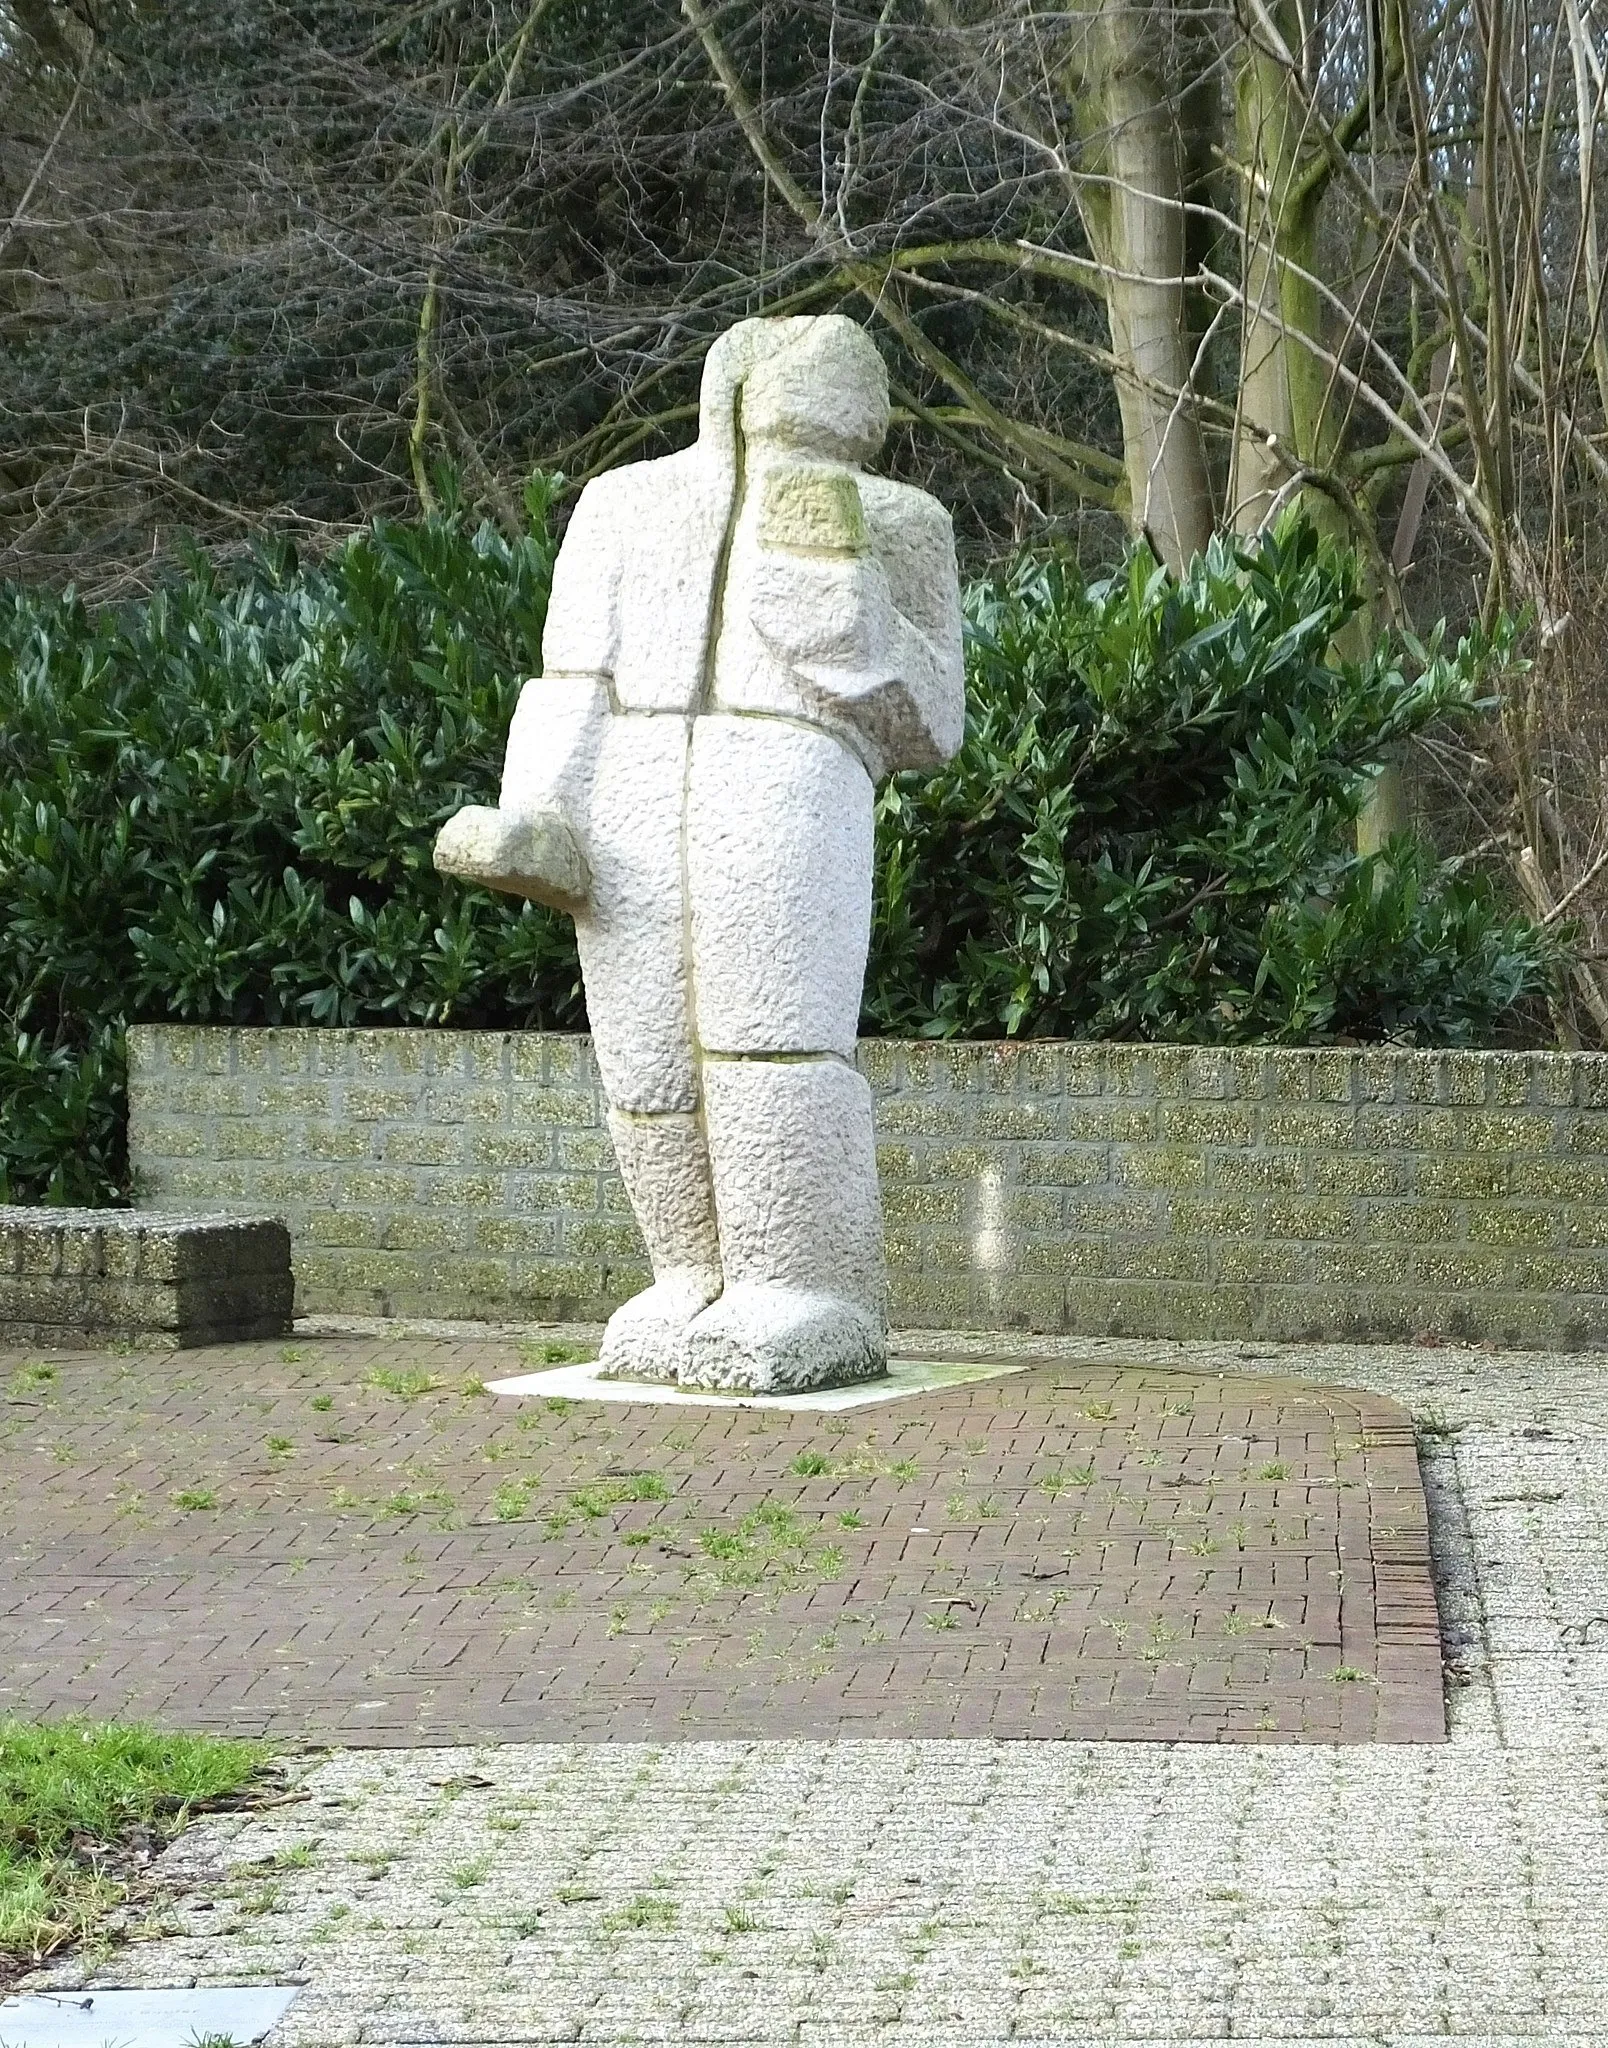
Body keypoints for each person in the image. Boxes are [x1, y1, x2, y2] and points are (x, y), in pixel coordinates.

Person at [435, 314, 965, 1391]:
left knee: (774, 1042)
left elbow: (936, 721)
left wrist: (857, 627)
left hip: (793, 771)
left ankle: (799, 1283)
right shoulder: (625, 504)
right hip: (629, 778)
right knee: (646, 1058)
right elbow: (571, 677)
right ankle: (684, 1272)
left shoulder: (901, 519)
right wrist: (536, 809)